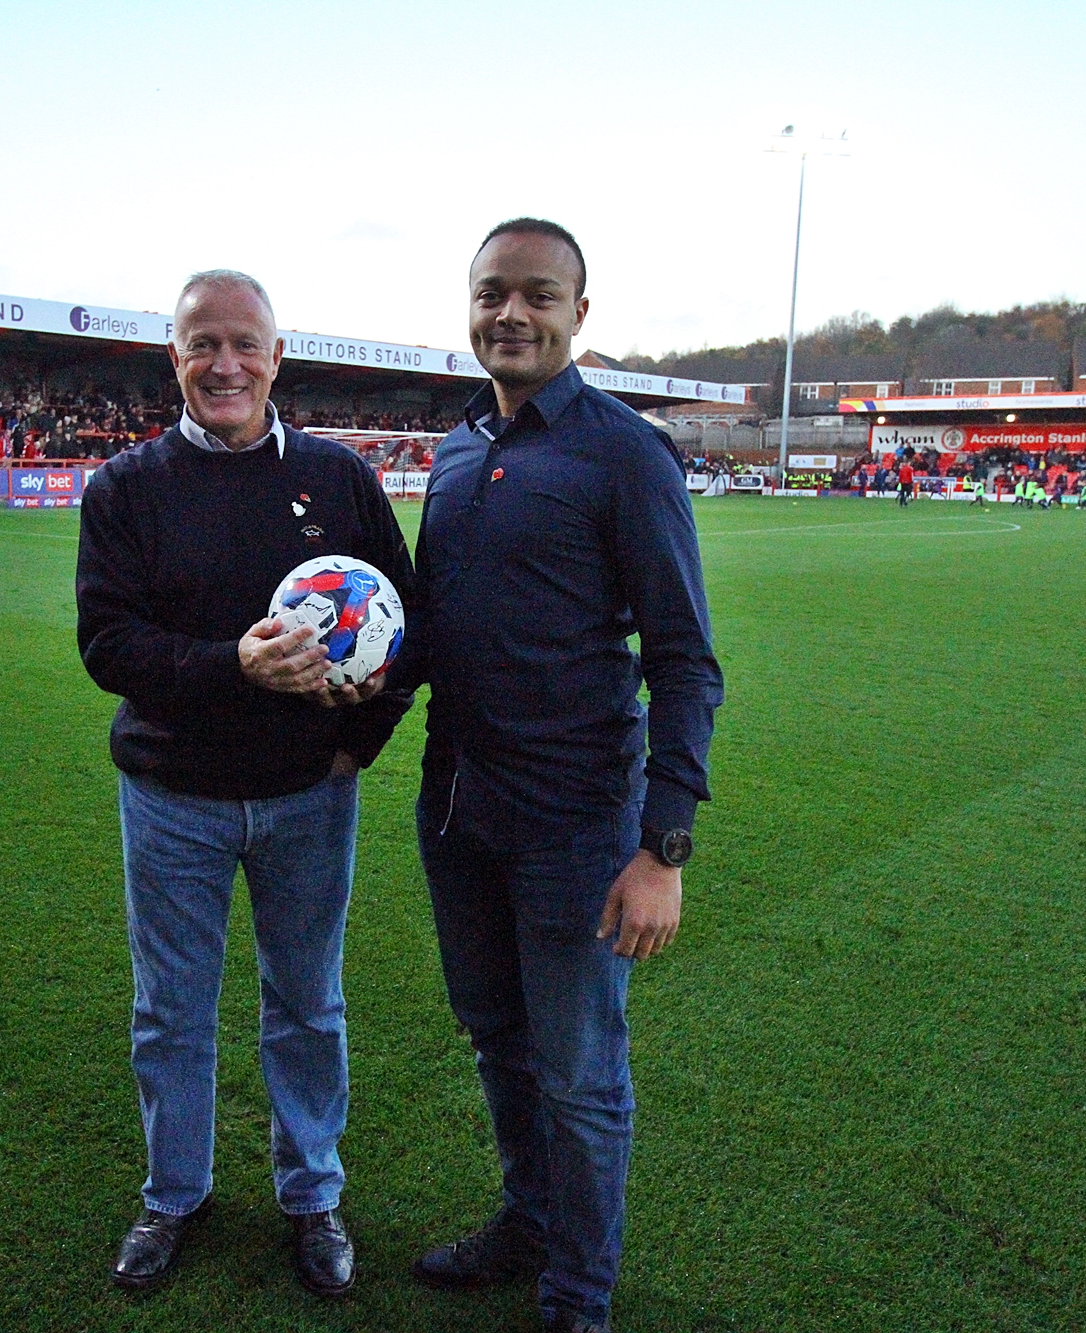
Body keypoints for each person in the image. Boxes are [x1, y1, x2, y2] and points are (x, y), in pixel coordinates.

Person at [394, 219, 721, 1333]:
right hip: (456, 809)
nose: (511, 314)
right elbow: (435, 633)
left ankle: (576, 1293)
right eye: (492, 293)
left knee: (579, 1074)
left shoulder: (626, 452)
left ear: (581, 313)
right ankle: (527, 1222)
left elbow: (682, 660)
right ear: (467, 303)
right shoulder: (450, 452)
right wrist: (356, 707)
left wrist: (661, 845)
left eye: (538, 294)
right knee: (496, 1038)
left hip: (578, 823)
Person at [76, 270, 414, 1298]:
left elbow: (405, 625)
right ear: (172, 357)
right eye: (199, 344)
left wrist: (363, 742)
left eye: (242, 343)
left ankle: (312, 1196)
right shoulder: (125, 488)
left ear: (277, 355)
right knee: (169, 1012)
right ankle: (172, 1195)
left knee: (306, 1004)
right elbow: (108, 644)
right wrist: (234, 662)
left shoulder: (337, 479)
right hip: (171, 796)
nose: (222, 363)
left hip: (309, 794)